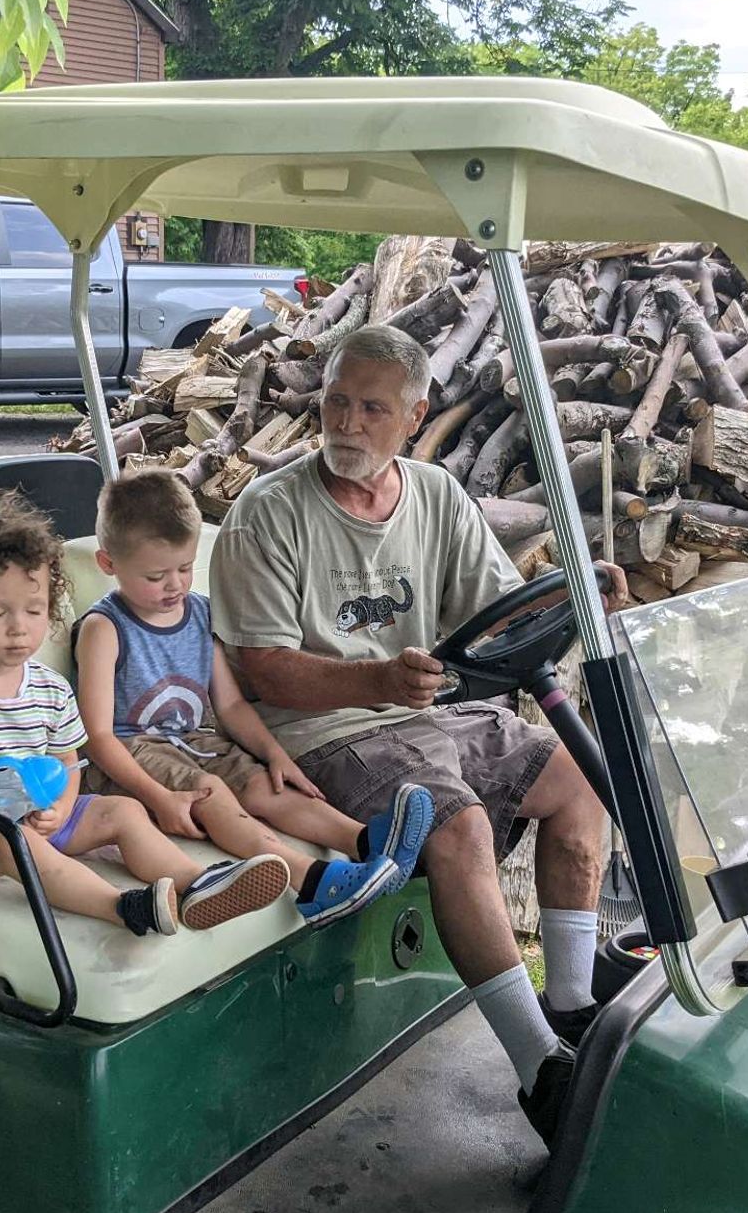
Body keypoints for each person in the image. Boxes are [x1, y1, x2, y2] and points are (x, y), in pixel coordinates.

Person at [210, 323, 628, 1145]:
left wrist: (575, 597)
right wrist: (373, 681)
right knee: (457, 821)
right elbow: (260, 669)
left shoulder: (435, 495)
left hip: (420, 712)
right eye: (335, 402)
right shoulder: (270, 511)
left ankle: (572, 1008)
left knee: (582, 779)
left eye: (372, 408)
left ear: (414, 415)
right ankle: (541, 1070)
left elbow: (491, 610)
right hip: (320, 731)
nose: (347, 423)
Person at [0, 492, 289, 938]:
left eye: (34, 611)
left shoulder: (50, 689)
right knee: (13, 840)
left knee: (123, 811)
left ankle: (198, 885)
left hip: (40, 815)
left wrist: (62, 807)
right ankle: (124, 907)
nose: (19, 627)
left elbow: (69, 763)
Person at [74, 469, 434, 926]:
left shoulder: (199, 613)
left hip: (197, 740)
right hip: (131, 753)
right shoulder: (104, 629)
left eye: (184, 569)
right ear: (109, 565)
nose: (175, 586)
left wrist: (274, 754)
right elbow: (98, 737)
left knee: (267, 784)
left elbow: (230, 706)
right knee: (214, 792)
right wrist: (160, 797)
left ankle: (368, 842)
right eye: (155, 575)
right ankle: (313, 881)